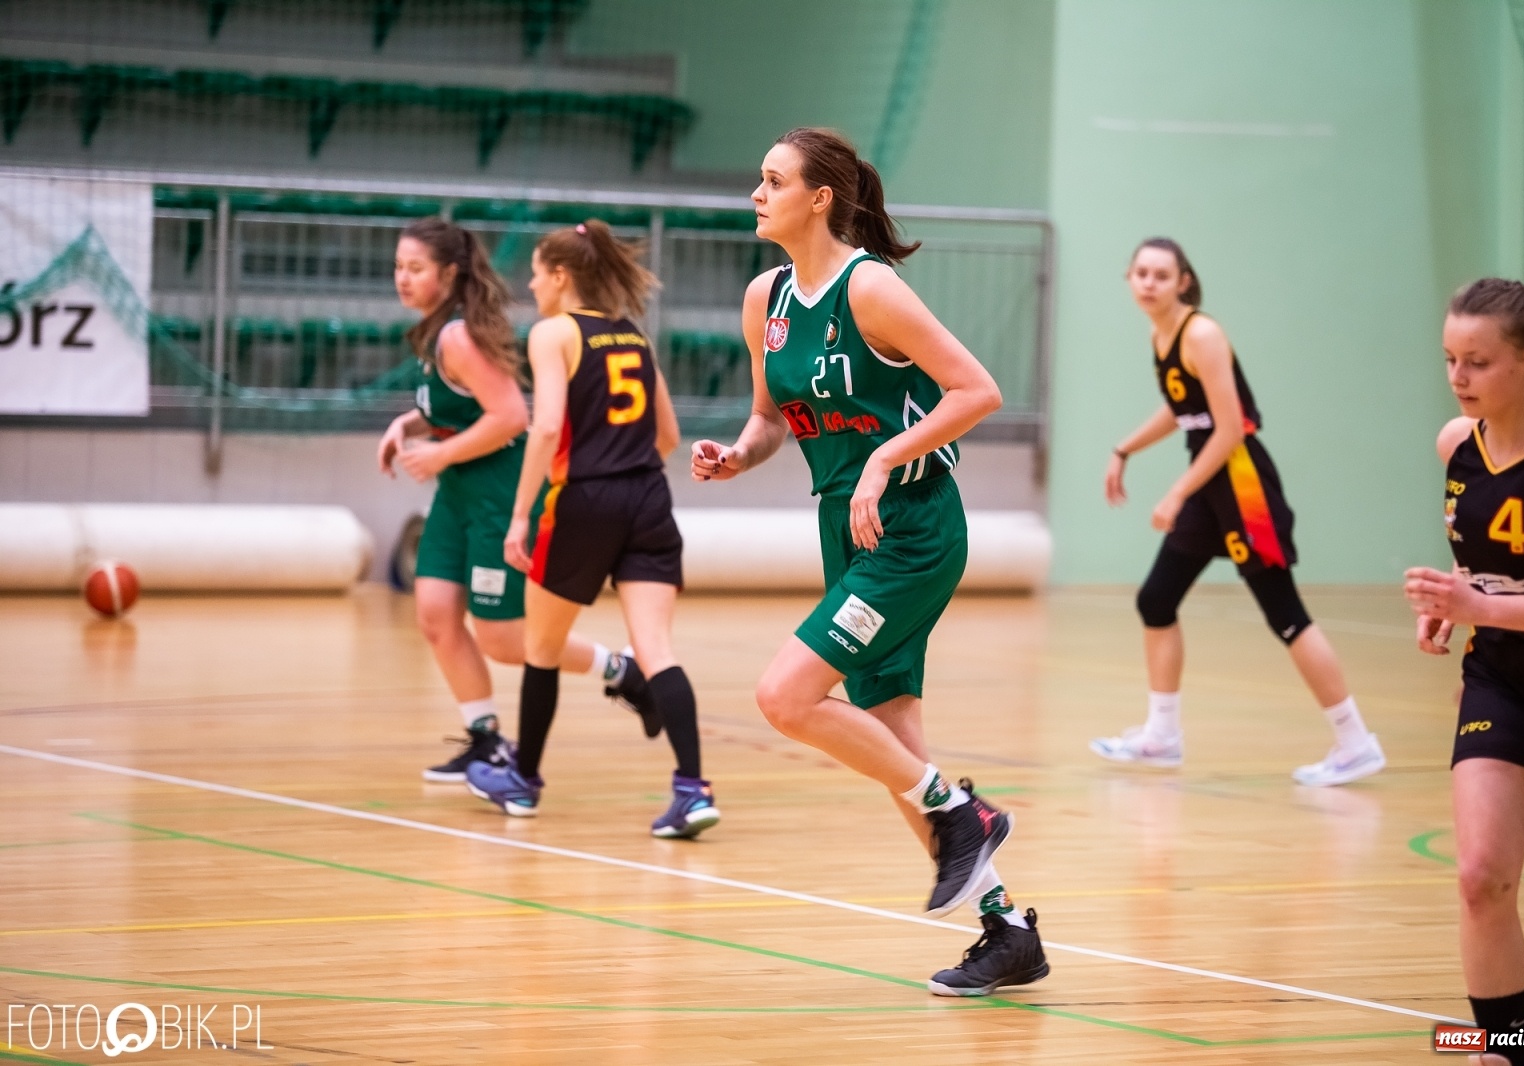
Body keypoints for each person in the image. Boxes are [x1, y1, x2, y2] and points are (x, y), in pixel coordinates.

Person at [690, 128, 1049, 997]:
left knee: (785, 696)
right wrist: (739, 454)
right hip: (843, 527)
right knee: (895, 747)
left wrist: (888, 457)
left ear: (819, 198)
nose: (755, 192)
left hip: (913, 529)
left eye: (772, 180)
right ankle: (1007, 932)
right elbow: (773, 416)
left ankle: (968, 811)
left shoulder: (872, 289)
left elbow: (978, 390)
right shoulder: (763, 299)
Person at [1093, 238, 1384, 786]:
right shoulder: (1163, 335)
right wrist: (1125, 447)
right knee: (1156, 600)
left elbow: (1230, 428)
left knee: (1285, 613)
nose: (1149, 282)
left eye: (1162, 274)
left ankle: (1355, 741)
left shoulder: (1201, 333)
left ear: (1184, 281)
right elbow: (1184, 410)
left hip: (1243, 483)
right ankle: (1161, 736)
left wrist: (1177, 491)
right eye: (1141, 273)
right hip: (1211, 484)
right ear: (1129, 279)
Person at [463, 219, 717, 839]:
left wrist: (521, 513)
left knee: (541, 650)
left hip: (583, 500)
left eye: (534, 272)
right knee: (657, 653)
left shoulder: (553, 334)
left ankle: (523, 782)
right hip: (648, 496)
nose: (528, 283)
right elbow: (668, 437)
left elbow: (546, 426)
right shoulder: (632, 335)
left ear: (559, 275)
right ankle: (693, 790)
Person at [378, 218, 656, 784]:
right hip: (459, 493)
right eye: (398, 267)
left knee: (504, 640)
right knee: (435, 615)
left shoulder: (457, 336)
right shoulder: (436, 332)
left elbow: (509, 416)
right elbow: (461, 404)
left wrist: (438, 454)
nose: (402, 278)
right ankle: (484, 741)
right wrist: (409, 424)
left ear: (449, 274)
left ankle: (622, 671)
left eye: (416, 268)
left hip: (497, 492)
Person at [1404, 278, 1524, 1066]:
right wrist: (1454, 603)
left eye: (1477, 362)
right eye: (1451, 358)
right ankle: (1503, 1052)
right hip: (1510, 680)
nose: (1459, 376)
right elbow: (1490, 566)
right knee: (1482, 876)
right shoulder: (1458, 443)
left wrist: (1483, 607)